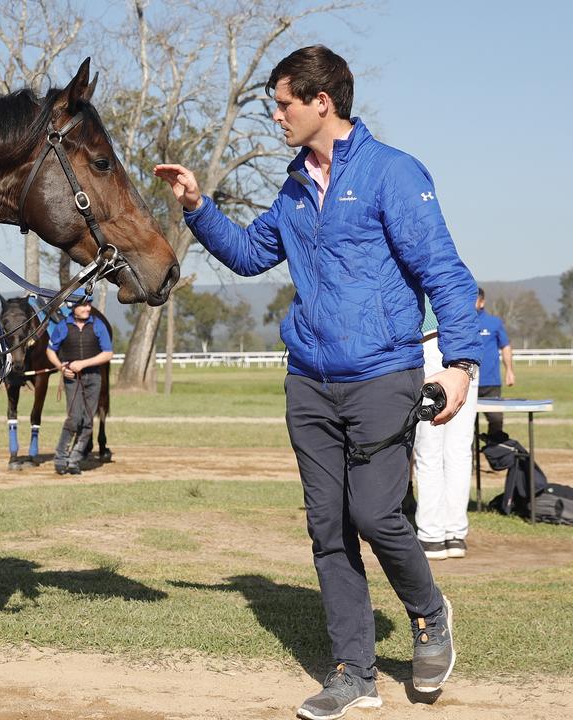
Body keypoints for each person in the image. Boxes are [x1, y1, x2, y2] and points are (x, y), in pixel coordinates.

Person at [154, 45, 481, 719]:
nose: (275, 116)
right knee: (327, 527)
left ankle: (428, 614)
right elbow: (248, 255)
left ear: (320, 102)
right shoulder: (294, 187)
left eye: (282, 103)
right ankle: (353, 673)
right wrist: (196, 206)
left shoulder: (393, 174)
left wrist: (459, 365)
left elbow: (445, 273)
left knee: (374, 513)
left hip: (382, 373)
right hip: (308, 380)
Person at [413, 307, 479, 560]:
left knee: (429, 450)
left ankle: (431, 535)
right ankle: (455, 534)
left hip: (430, 343)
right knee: (459, 450)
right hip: (465, 349)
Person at [46, 293, 113, 475]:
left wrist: (83, 364)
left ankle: (75, 459)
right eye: (83, 305)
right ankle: (60, 458)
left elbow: (108, 354)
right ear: (72, 307)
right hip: (72, 379)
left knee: (88, 420)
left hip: (93, 378)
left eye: (89, 305)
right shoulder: (62, 327)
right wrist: (61, 367)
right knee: (74, 418)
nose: (88, 308)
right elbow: (50, 350)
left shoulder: (97, 325)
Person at [474, 288, 515, 438]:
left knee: (496, 420)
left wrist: (509, 371)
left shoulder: (494, 323)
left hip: (490, 382)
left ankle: (494, 453)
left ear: (482, 302)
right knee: (463, 425)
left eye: (474, 299)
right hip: (467, 382)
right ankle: (468, 458)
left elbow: (505, 347)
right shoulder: (462, 323)